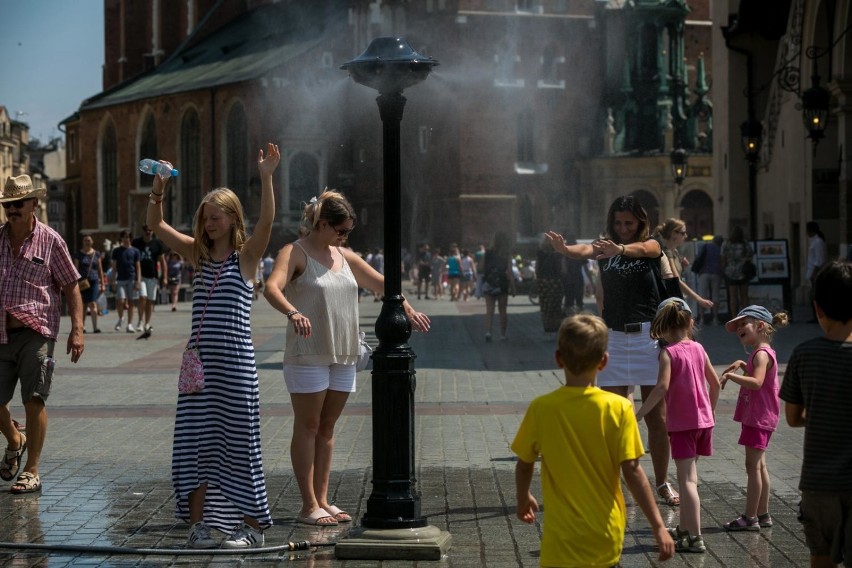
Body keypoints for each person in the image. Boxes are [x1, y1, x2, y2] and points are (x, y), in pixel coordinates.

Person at [263, 189, 430, 527]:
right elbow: (272, 287)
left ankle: (323, 499)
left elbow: (383, 284)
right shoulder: (294, 252)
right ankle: (308, 504)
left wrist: (408, 309)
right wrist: (293, 312)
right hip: (307, 352)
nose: (344, 237)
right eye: (340, 231)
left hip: (345, 351)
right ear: (321, 224)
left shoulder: (344, 256)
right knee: (308, 425)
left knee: (327, 428)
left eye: (347, 232)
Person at [146, 143, 281, 548]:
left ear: (232, 218)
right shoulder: (196, 255)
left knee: (240, 446)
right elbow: (156, 224)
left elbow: (268, 223)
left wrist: (267, 177)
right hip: (199, 369)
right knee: (194, 446)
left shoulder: (247, 258)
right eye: (205, 218)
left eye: (215, 217)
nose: (208, 224)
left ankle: (250, 529)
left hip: (236, 367)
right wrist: (159, 187)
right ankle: (200, 527)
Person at [546, 195, 679, 508]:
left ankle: (661, 482)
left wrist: (619, 248)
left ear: (640, 223)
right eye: (618, 223)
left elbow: (645, 249)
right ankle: (612, 482)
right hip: (616, 339)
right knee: (614, 418)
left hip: (649, 337)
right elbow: (585, 250)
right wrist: (565, 250)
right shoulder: (604, 247)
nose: (622, 229)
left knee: (657, 419)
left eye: (628, 223)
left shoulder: (651, 246)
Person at [512, 314, 675, 566]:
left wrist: (523, 497)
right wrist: (658, 526)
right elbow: (633, 472)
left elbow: (524, 464)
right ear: (604, 362)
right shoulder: (619, 408)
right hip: (605, 533)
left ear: (558, 359)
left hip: (560, 539)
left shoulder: (541, 408)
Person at [0, 175, 85, 494]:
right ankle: (14, 439)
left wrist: (77, 329)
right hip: (1, 334)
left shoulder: (51, 240)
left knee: (34, 399)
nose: (12, 210)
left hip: (37, 332)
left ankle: (32, 470)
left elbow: (71, 286)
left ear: (34, 204)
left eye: (18, 204)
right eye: (7, 205)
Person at [780, 261, 852, 568]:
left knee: (820, 560)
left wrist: (822, 414)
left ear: (817, 308)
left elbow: (793, 418)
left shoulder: (804, 354)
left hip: (818, 484)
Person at [635, 297, 720, 553]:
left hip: (683, 426)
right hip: (704, 423)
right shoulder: (698, 348)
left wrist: (639, 414)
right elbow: (715, 384)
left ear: (660, 327)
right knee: (690, 477)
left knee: (687, 482)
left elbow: (661, 388)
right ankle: (684, 527)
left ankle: (694, 537)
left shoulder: (667, 354)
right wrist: (710, 411)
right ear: (690, 322)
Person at [720, 304, 788, 532]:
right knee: (760, 466)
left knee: (752, 467)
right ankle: (763, 513)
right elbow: (759, 377)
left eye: (743, 323)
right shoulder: (763, 352)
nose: (738, 328)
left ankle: (750, 517)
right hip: (761, 417)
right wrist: (741, 364)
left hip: (758, 418)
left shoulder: (760, 354)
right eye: (737, 325)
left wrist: (731, 376)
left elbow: (757, 383)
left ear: (759, 326)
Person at [656, 219, 713, 316]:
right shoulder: (667, 253)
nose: (685, 236)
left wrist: (681, 265)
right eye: (683, 233)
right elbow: (676, 280)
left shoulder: (675, 252)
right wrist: (699, 299)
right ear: (673, 233)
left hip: (675, 299)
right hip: (670, 302)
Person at [132, 225, 167, 338]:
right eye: (146, 230)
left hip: (152, 277)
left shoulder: (157, 243)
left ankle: (147, 322)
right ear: (142, 231)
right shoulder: (136, 242)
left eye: (150, 230)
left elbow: (162, 261)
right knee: (143, 297)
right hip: (140, 276)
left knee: (150, 301)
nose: (148, 232)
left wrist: (165, 277)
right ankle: (140, 321)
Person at [482, 231, 514, 342]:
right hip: (502, 283)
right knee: (503, 310)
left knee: (489, 310)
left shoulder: (488, 252)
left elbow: (482, 267)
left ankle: (488, 332)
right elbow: (509, 271)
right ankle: (502, 335)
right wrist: (513, 287)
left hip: (489, 282)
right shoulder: (506, 253)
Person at [111, 230, 141, 333]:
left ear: (130, 238)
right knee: (121, 300)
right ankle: (121, 318)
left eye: (127, 237)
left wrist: (138, 280)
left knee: (131, 302)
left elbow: (138, 267)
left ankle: (129, 324)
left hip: (132, 278)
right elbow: (114, 267)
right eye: (124, 237)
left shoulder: (135, 251)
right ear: (121, 239)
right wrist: (113, 280)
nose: (126, 239)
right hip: (120, 279)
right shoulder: (116, 251)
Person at [75, 235, 106, 333]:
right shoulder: (79, 254)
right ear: (83, 242)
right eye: (85, 240)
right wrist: (75, 283)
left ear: (92, 242)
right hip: (83, 283)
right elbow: (75, 269)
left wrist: (103, 283)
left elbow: (100, 270)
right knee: (83, 305)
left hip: (94, 281)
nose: (87, 242)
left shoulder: (96, 254)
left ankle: (95, 327)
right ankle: (82, 326)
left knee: (93, 303)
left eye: (89, 240)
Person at [721, 225, 754, 318]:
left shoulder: (726, 243)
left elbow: (723, 258)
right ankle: (746, 315)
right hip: (743, 271)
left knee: (733, 297)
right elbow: (751, 255)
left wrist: (723, 269)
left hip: (731, 272)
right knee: (744, 295)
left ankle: (734, 316)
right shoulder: (745, 243)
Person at [535, 235, 564, 332]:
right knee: (556, 305)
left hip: (543, 282)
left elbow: (537, 268)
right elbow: (563, 269)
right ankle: (555, 327)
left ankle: (547, 327)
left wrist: (538, 278)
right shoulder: (558, 254)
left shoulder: (540, 253)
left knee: (545, 305)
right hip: (556, 281)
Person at [696, 235, 724, 324]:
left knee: (702, 296)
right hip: (716, 273)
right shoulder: (720, 249)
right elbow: (722, 262)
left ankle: (702, 319)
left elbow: (699, 258)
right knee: (715, 296)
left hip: (704, 273)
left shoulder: (706, 246)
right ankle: (715, 318)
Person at [805, 221, 828, 323]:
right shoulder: (813, 241)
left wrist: (814, 273)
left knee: (815, 296)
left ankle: (818, 317)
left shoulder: (818, 242)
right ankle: (816, 316)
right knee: (813, 296)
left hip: (817, 273)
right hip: (812, 273)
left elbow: (819, 260)